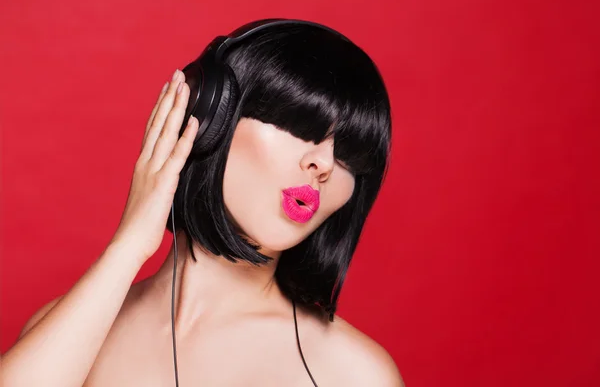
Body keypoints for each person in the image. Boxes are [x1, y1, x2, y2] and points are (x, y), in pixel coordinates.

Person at [2, 20, 404, 386]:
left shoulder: (354, 372)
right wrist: (129, 245)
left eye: (349, 157)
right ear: (213, 120)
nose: (324, 165)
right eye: (300, 127)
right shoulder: (67, 333)